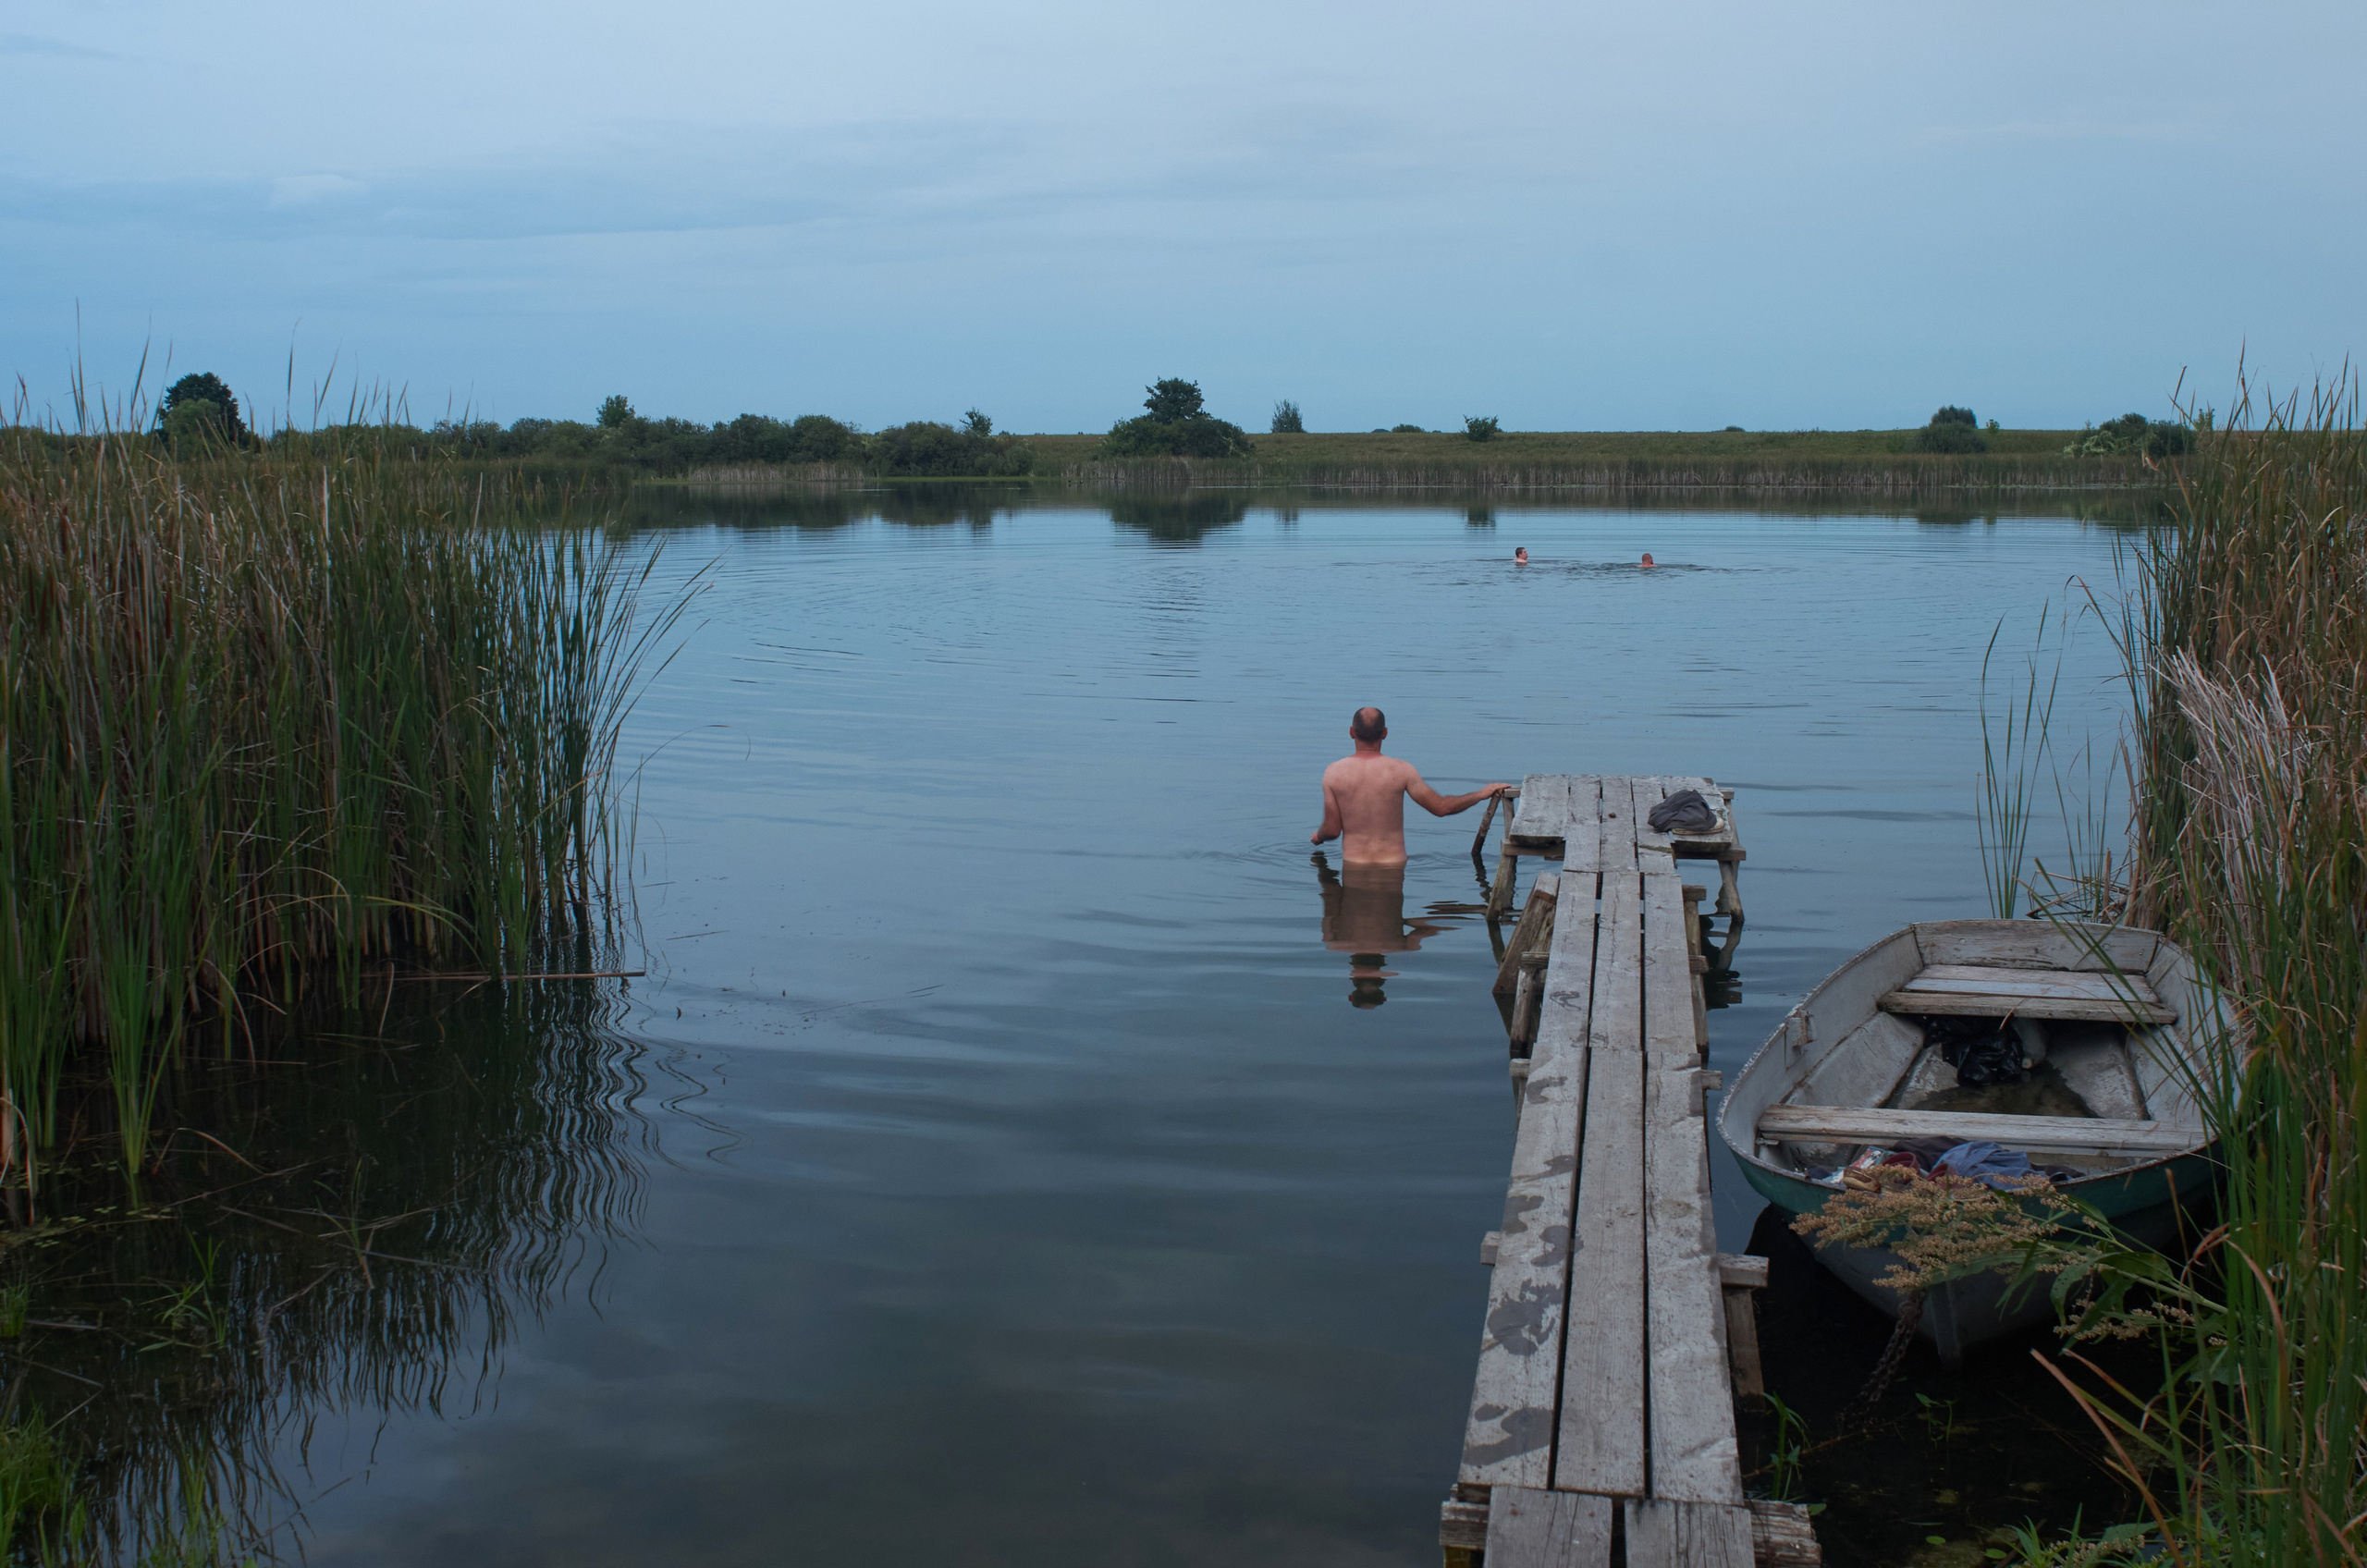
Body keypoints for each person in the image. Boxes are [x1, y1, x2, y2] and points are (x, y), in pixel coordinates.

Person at [1310, 706, 1507, 865]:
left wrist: (1318, 837)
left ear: (1352, 732)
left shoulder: (1334, 772)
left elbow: (1332, 830)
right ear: (1385, 733)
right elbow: (1441, 808)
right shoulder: (1402, 771)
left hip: (1354, 865)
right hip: (1393, 865)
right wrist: (1481, 793)